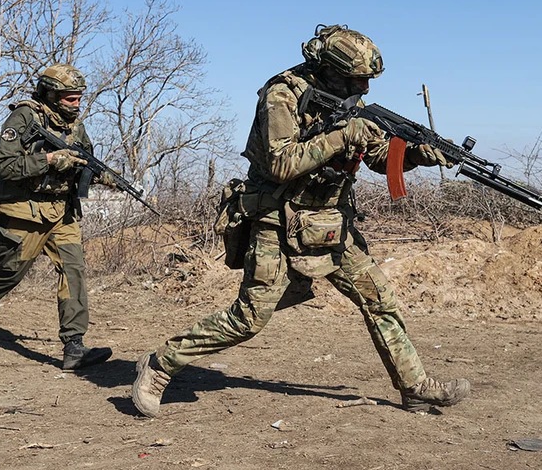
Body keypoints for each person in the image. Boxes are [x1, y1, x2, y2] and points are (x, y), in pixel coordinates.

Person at [132, 24, 470, 416]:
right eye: (358, 79)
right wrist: (344, 136)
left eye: (368, 80)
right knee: (249, 318)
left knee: (380, 300)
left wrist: (413, 156)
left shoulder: (347, 100)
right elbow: (280, 163)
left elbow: (378, 156)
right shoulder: (282, 95)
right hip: (278, 218)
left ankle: (414, 386)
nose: (365, 88)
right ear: (330, 70)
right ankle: (160, 364)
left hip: (331, 222)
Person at [0, 64, 113, 371]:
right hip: (25, 210)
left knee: (73, 271)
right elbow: (7, 167)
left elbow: (83, 160)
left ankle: (74, 345)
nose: (76, 105)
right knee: (11, 273)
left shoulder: (75, 127)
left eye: (78, 99)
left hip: (62, 213)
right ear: (50, 94)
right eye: (69, 99)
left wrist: (100, 175)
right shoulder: (23, 117)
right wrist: (49, 159)